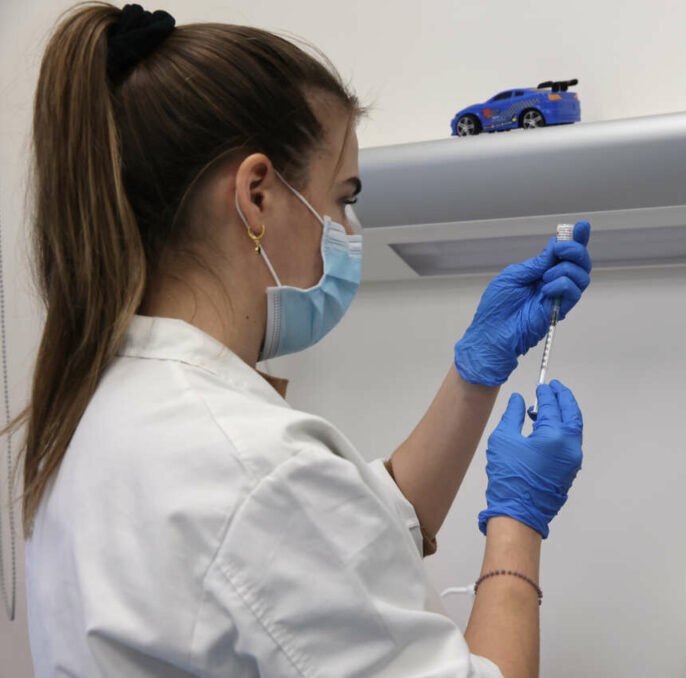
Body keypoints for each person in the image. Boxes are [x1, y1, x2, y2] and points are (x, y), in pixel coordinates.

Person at [16, 3, 593, 677]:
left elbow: (353, 533)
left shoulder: (107, 409)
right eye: (343, 198)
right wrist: (519, 523)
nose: (347, 229)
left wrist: (475, 375)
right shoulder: (254, 470)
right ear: (257, 196)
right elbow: (298, 523)